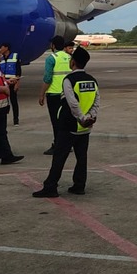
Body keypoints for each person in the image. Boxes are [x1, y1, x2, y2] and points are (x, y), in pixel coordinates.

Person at [33, 47, 99, 198]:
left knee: (59, 157)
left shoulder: (69, 80)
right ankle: (79, 185)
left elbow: (72, 103)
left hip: (70, 124)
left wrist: (81, 118)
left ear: (73, 62)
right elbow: (96, 102)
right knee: (82, 157)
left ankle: (50, 186)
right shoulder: (92, 80)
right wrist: (90, 118)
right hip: (85, 127)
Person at [39, 37, 73, 155]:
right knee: (67, 120)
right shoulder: (70, 57)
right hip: (68, 94)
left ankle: (58, 145)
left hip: (54, 94)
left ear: (53, 45)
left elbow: (48, 78)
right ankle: (68, 144)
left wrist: (42, 94)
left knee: (56, 121)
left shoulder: (51, 58)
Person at [0, 43, 22, 125]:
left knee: (14, 101)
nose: (0, 49)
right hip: (4, 83)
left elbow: (18, 71)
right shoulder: (1, 58)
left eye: (1, 47)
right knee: (3, 103)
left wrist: (17, 83)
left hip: (13, 82)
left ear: (6, 48)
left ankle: (16, 120)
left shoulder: (15, 56)